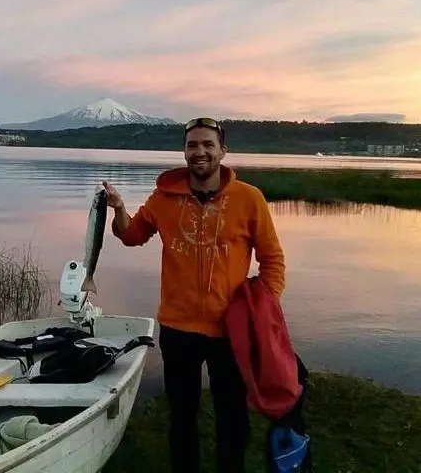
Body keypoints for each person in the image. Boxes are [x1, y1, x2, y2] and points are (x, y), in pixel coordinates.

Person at [103, 117, 286, 473]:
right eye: (192, 146)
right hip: (178, 327)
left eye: (207, 145)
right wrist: (119, 209)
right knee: (182, 417)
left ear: (222, 151)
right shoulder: (163, 198)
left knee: (232, 416)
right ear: (184, 152)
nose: (199, 152)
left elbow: (272, 260)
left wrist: (263, 309)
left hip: (231, 329)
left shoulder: (250, 199)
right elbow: (133, 235)